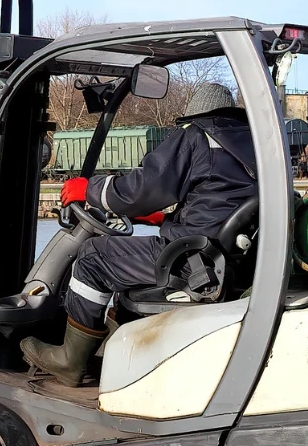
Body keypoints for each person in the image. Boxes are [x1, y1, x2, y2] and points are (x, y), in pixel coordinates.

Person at [21, 81, 258, 385]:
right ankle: (118, 347)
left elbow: (139, 189)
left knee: (94, 257)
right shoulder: (255, 143)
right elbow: (218, 204)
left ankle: (70, 359)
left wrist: (88, 189)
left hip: (192, 261)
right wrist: (162, 217)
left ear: (197, 113)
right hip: (228, 258)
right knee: (125, 265)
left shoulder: (197, 135)